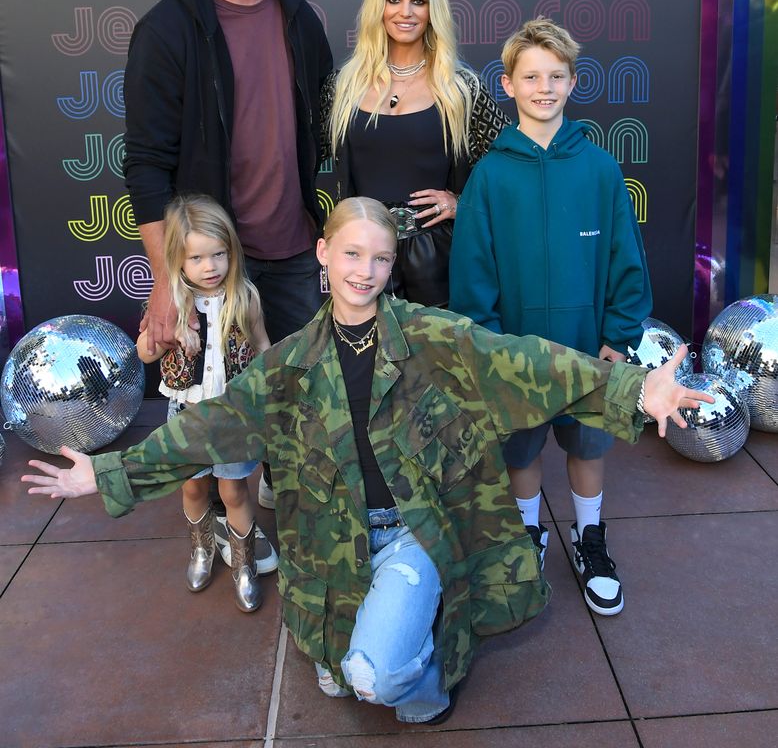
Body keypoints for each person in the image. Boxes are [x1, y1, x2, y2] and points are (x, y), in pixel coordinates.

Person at [23, 198, 711, 725]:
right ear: (323, 253)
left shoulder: (432, 338)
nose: (364, 272)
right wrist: (104, 473)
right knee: (328, 658)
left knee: (376, 680)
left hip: (414, 531)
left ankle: (431, 677)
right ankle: (379, 648)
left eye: (379, 259)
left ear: (393, 264)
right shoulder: (289, 365)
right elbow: (208, 427)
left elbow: (532, 363)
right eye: (351, 255)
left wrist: (634, 388)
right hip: (329, 543)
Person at [124, 0, 332, 508]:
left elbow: (330, 127)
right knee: (209, 402)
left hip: (293, 248)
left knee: (295, 388)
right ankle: (214, 521)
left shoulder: (302, 20)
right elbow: (147, 164)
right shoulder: (167, 30)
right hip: (213, 264)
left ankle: (276, 490)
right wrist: (167, 283)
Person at [449, 17, 653, 617]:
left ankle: (590, 539)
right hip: (515, 354)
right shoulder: (490, 175)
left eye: (556, 76)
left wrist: (619, 335)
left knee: (588, 446)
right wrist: (486, 346)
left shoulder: (599, 169)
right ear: (508, 85)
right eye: (531, 76)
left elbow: (625, 258)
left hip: (589, 347)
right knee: (520, 451)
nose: (544, 87)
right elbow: (473, 273)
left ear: (571, 82)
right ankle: (526, 538)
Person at [321, 0, 510, 307]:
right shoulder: (342, 87)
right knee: (366, 358)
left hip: (439, 260)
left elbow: (510, 165)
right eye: (394, 0)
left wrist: (463, 203)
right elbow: (301, 158)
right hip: (363, 261)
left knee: (440, 360)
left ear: (432, 10)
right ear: (379, 6)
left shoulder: (460, 88)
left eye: (418, 2)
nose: (405, 12)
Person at [136, 194, 277, 612]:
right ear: (176, 259)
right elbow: (143, 353)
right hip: (188, 413)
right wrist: (170, 333)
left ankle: (245, 565)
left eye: (219, 254)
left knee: (234, 491)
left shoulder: (245, 297)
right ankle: (201, 550)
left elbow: (263, 345)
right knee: (194, 484)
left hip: (234, 416)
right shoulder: (170, 304)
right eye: (197, 257)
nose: (210, 267)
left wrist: (270, 389)